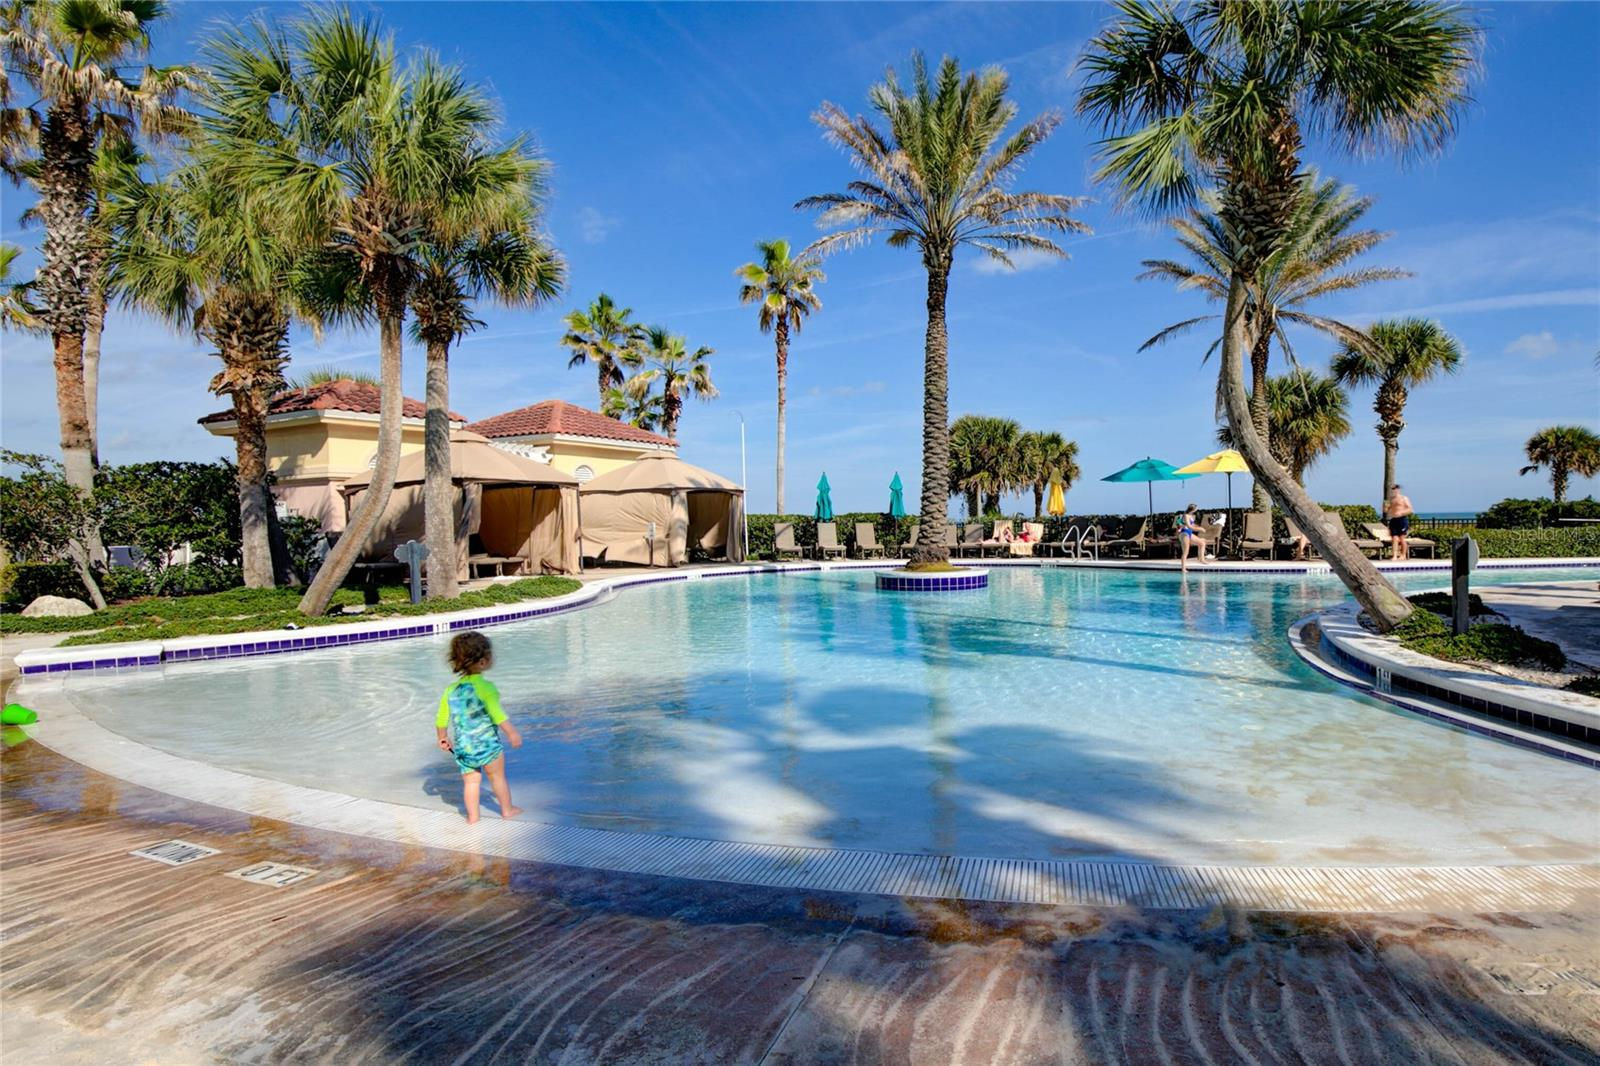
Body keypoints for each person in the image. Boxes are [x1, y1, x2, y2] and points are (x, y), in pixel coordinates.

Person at [436, 631, 523, 823]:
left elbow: (441, 718)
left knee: (471, 783)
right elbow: (497, 714)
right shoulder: (487, 688)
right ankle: (507, 810)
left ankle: (473, 817)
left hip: (464, 748)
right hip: (488, 746)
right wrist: (512, 732)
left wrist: (442, 737)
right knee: (497, 778)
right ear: (483, 662)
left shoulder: (450, 690)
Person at [1384, 484, 1415, 561]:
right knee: (1394, 538)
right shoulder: (1390, 500)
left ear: (1398, 490)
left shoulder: (1404, 498)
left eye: (1395, 489)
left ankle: (1403, 555)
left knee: (1401, 538)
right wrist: (1385, 507)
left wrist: (1402, 513)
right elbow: (1386, 510)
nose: (1394, 490)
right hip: (1394, 520)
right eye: (1392, 489)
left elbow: (1410, 509)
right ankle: (1394, 556)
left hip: (1402, 520)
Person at [1177, 503, 1208, 571]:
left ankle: (1201, 559)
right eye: (1196, 508)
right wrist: (1200, 529)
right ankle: (1183, 569)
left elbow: (1193, 525)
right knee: (1186, 552)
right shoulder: (1186, 515)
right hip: (1184, 534)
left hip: (1189, 533)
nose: (1197, 510)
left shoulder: (1190, 516)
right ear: (1193, 509)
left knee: (1202, 543)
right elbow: (1189, 526)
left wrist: (1200, 527)